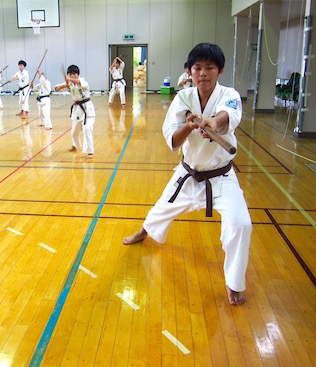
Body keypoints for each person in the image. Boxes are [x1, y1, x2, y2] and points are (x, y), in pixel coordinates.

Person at [122, 43, 252, 306]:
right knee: (161, 207)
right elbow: (172, 136)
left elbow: (229, 115)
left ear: (220, 70)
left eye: (210, 68)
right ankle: (144, 231)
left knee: (241, 224)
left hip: (222, 178)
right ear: (189, 71)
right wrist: (190, 126)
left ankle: (234, 283)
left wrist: (213, 122)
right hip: (188, 173)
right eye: (198, 68)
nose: (203, 73)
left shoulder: (230, 94)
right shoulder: (184, 98)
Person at [54, 64, 95, 159]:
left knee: (87, 128)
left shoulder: (82, 81)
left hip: (87, 109)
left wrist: (69, 79)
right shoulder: (69, 83)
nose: (72, 76)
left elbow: (79, 83)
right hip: (77, 110)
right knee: (74, 132)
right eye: (70, 74)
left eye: (74, 74)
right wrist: (64, 85)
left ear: (77, 74)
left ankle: (90, 151)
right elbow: (56, 89)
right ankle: (76, 145)